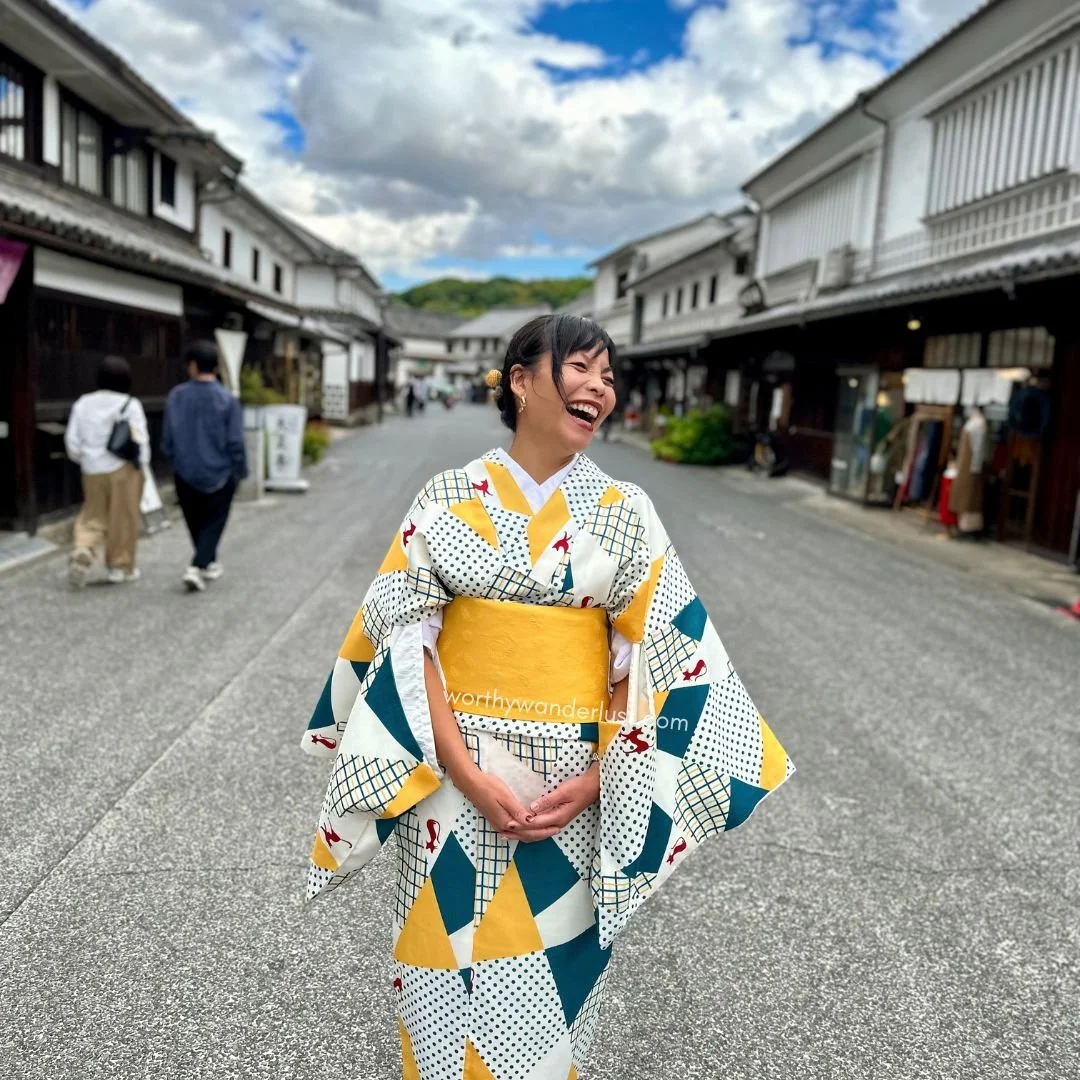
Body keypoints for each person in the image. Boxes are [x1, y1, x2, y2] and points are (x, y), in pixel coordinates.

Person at [299, 314, 794, 1080]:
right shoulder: (448, 495)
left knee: (549, 998)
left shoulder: (626, 510)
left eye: (609, 375)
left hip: (572, 789)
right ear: (520, 380)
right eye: (581, 368)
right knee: (436, 970)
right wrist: (466, 771)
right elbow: (408, 647)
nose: (601, 386)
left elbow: (662, 661)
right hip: (450, 780)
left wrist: (596, 780)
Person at [162, 341, 247, 593]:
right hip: (220, 471)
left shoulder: (176, 396)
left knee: (195, 520)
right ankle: (198, 564)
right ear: (217, 367)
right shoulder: (227, 400)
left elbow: (167, 439)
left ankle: (207, 561)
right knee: (215, 520)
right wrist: (240, 470)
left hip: (185, 471)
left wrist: (173, 459)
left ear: (192, 366)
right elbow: (235, 441)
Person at [64, 356, 150, 588]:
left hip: (91, 468)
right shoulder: (130, 404)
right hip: (122, 469)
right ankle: (119, 567)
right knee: (122, 518)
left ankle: (84, 548)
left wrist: (84, 458)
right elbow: (140, 439)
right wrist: (142, 465)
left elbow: (72, 441)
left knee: (93, 515)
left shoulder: (83, 403)